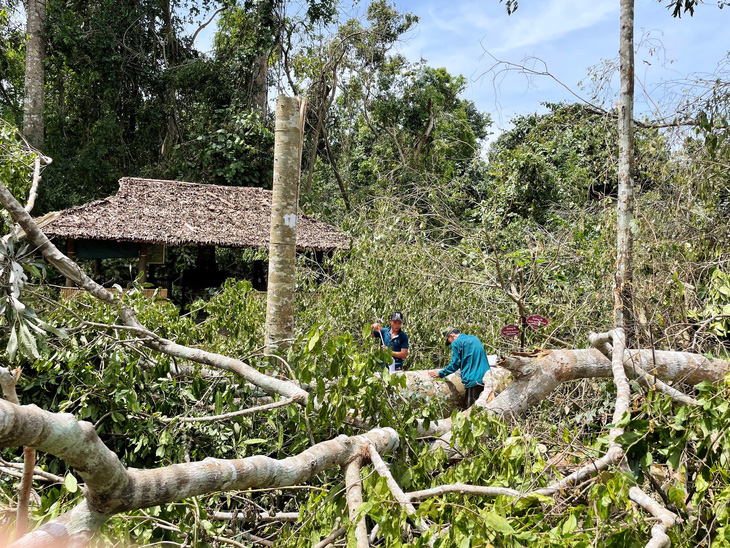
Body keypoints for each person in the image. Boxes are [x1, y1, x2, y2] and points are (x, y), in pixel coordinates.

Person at [429, 328, 491, 407]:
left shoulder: (457, 342)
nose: (451, 343)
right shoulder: (475, 339)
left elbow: (455, 364)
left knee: (473, 411)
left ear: (452, 335)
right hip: (487, 378)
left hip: (473, 380)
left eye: (449, 341)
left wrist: (441, 373)